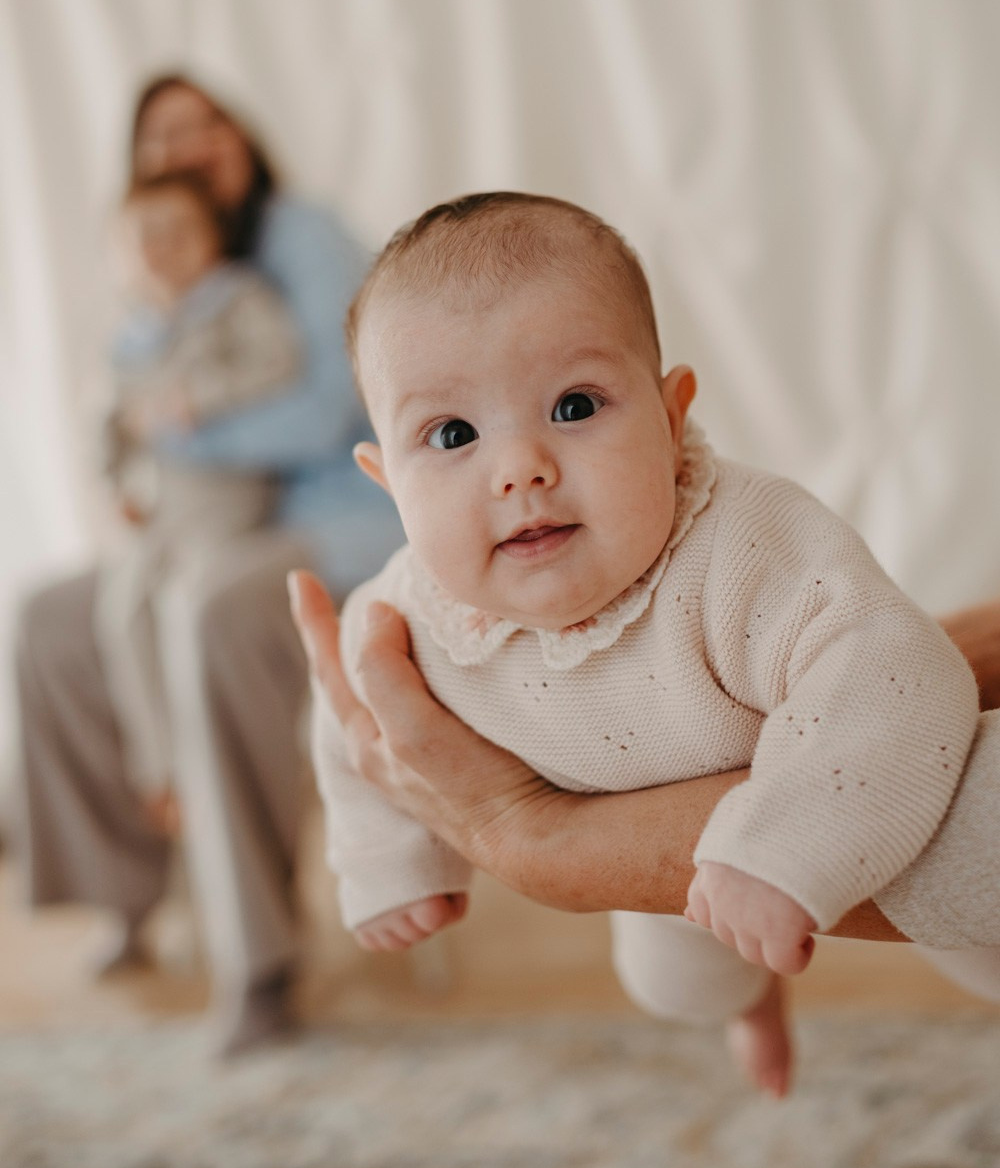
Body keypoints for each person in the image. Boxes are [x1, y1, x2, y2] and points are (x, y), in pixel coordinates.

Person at [298, 190, 1000, 1098]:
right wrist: (389, 859)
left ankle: (803, 924)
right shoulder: (408, 614)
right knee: (677, 987)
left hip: (818, 782)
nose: (520, 469)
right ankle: (750, 1009)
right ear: (386, 479)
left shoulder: (744, 545)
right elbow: (354, 725)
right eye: (454, 435)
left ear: (672, 422)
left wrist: (780, 847)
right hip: (647, 854)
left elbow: (894, 670)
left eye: (576, 405)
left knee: (979, 941)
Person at [15, 72, 402, 1055]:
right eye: (163, 138)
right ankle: (126, 895)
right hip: (211, 529)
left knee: (209, 610)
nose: (187, 147)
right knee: (51, 617)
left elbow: (325, 410)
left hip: (332, 516)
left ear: (243, 140)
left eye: (206, 127)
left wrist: (176, 440)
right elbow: (121, 405)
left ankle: (259, 960)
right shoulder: (162, 276)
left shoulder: (302, 239)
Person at [95, 169, 302, 818]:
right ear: (119, 256)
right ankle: (163, 769)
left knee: (191, 603)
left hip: (230, 495)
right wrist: (114, 483)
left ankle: (209, 762)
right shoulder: (130, 338)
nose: (163, 247)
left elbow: (280, 363)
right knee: (124, 607)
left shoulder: (236, 299)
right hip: (162, 503)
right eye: (144, 237)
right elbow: (108, 424)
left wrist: (198, 397)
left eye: (180, 231)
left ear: (215, 238)